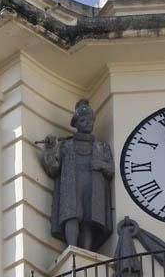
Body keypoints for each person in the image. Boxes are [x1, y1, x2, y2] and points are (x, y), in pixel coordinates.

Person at [39, 99, 114, 250]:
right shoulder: (66, 145)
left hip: (93, 186)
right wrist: (51, 148)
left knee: (88, 219)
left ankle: (86, 252)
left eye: (90, 120)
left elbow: (111, 169)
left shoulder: (101, 147)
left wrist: (101, 165)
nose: (87, 123)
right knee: (72, 215)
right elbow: (53, 168)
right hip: (72, 186)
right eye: (83, 120)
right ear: (77, 124)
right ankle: (72, 248)